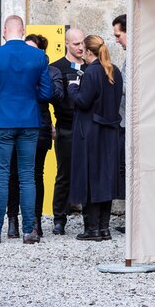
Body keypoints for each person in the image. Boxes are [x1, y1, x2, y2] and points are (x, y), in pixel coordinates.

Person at [0, 16, 52, 244]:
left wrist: (2, 100)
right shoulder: (38, 56)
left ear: (5, 31)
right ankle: (29, 231)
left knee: (2, 176)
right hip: (29, 120)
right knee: (28, 176)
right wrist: (27, 98)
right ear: (24, 31)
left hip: (3, 121)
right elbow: (46, 93)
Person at [4, 34, 63, 238]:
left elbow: (56, 95)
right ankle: (12, 221)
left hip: (39, 127)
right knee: (13, 175)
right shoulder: (13, 68)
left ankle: (35, 222)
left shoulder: (51, 71)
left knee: (36, 175)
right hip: (13, 124)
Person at [67, 35, 123, 241]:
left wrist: (72, 87)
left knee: (89, 178)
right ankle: (104, 228)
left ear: (89, 52)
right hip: (110, 131)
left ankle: (92, 229)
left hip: (91, 132)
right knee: (105, 179)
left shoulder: (91, 72)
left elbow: (82, 101)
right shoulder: (114, 70)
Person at [49, 27, 86, 235]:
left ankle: (91, 219)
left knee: (89, 173)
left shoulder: (91, 66)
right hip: (66, 127)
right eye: (76, 44)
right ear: (66, 44)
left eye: (82, 43)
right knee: (64, 175)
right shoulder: (56, 68)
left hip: (88, 130)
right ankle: (59, 219)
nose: (80, 47)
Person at [112, 14, 127, 234]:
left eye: (118, 35)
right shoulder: (128, 57)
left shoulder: (134, 57)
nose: (116, 40)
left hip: (130, 123)